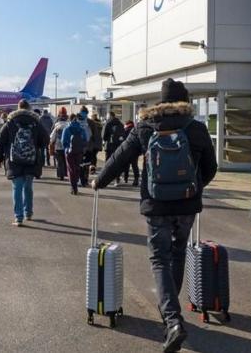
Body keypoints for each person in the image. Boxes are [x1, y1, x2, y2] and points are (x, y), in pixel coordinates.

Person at [91, 78, 217, 352]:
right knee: (177, 253)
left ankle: (172, 321)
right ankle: (171, 315)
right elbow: (211, 167)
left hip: (156, 204)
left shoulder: (146, 126)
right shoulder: (195, 128)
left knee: (159, 258)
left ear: (161, 101)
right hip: (186, 205)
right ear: (184, 102)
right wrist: (194, 188)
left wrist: (99, 180)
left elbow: (121, 157)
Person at [0, 100, 49, 226]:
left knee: (17, 187)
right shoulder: (36, 122)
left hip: (14, 160)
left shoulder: (10, 122)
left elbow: (0, 142)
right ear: (29, 108)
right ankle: (28, 213)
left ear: (18, 108)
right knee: (28, 187)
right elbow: (45, 139)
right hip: (31, 159)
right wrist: (36, 147)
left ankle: (18, 218)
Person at [61, 112, 88, 195]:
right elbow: (85, 140)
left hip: (69, 152)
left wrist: (66, 148)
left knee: (70, 169)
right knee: (77, 168)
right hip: (79, 151)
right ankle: (76, 182)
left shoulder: (67, 129)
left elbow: (63, 141)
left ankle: (73, 187)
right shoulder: (81, 129)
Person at [102, 111, 125, 185]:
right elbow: (123, 135)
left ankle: (105, 179)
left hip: (109, 146)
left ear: (110, 116)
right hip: (118, 146)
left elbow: (103, 136)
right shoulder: (120, 124)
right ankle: (117, 179)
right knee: (117, 162)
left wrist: (105, 140)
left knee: (108, 163)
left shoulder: (107, 123)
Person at [49, 108, 70, 179]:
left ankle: (60, 174)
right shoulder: (68, 125)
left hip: (58, 146)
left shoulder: (56, 126)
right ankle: (66, 173)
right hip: (67, 146)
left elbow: (52, 136)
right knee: (65, 160)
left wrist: (51, 143)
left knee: (59, 161)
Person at [122, 120, 139, 186]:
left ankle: (125, 178)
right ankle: (136, 179)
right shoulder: (136, 131)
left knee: (126, 165)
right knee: (135, 165)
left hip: (127, 150)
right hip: (135, 150)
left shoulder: (125, 130)